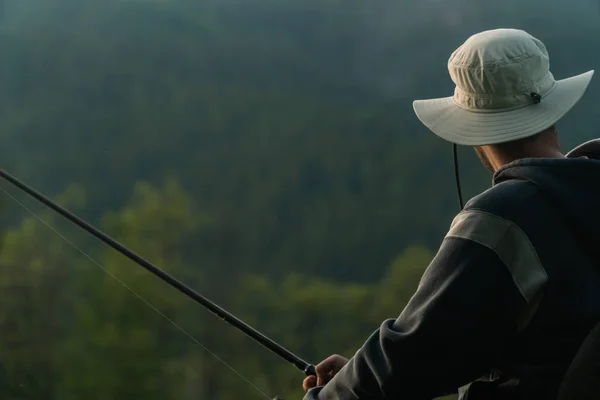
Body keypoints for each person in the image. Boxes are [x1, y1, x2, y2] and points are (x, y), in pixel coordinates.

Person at [302, 28, 599, 399]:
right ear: (552, 109)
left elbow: (408, 358)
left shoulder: (504, 220)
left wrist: (329, 395)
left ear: (472, 129)